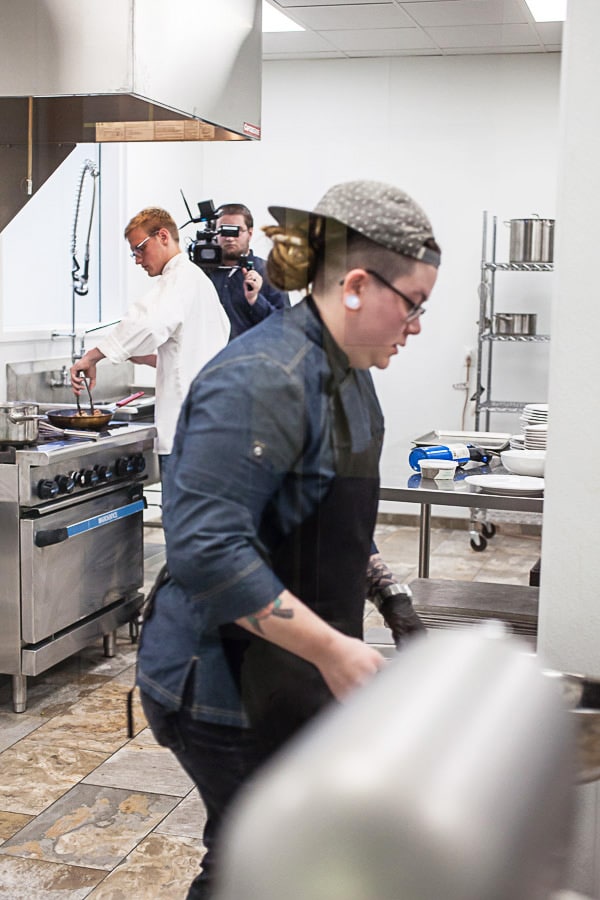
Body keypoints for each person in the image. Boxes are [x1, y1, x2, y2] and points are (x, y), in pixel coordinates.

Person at [136, 180, 441, 899]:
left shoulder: (347, 369)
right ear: (359, 285)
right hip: (219, 681)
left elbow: (317, 511)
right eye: (416, 304)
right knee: (258, 864)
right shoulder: (264, 378)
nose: (420, 325)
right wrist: (337, 651)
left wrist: (390, 596)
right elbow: (207, 552)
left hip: (281, 668)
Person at [70, 207, 230, 473]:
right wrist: (150, 359)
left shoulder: (178, 279)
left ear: (163, 236)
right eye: (133, 253)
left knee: (182, 515)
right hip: (210, 427)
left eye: (140, 249)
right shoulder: (199, 281)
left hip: (186, 433)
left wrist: (92, 356)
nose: (137, 260)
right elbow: (195, 352)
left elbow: (146, 322)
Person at [207, 202, 290, 339]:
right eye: (223, 230)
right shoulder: (204, 274)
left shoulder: (271, 272)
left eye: (236, 231)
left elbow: (284, 327)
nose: (229, 238)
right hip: (209, 358)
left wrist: (255, 300)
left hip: (252, 357)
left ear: (250, 233)